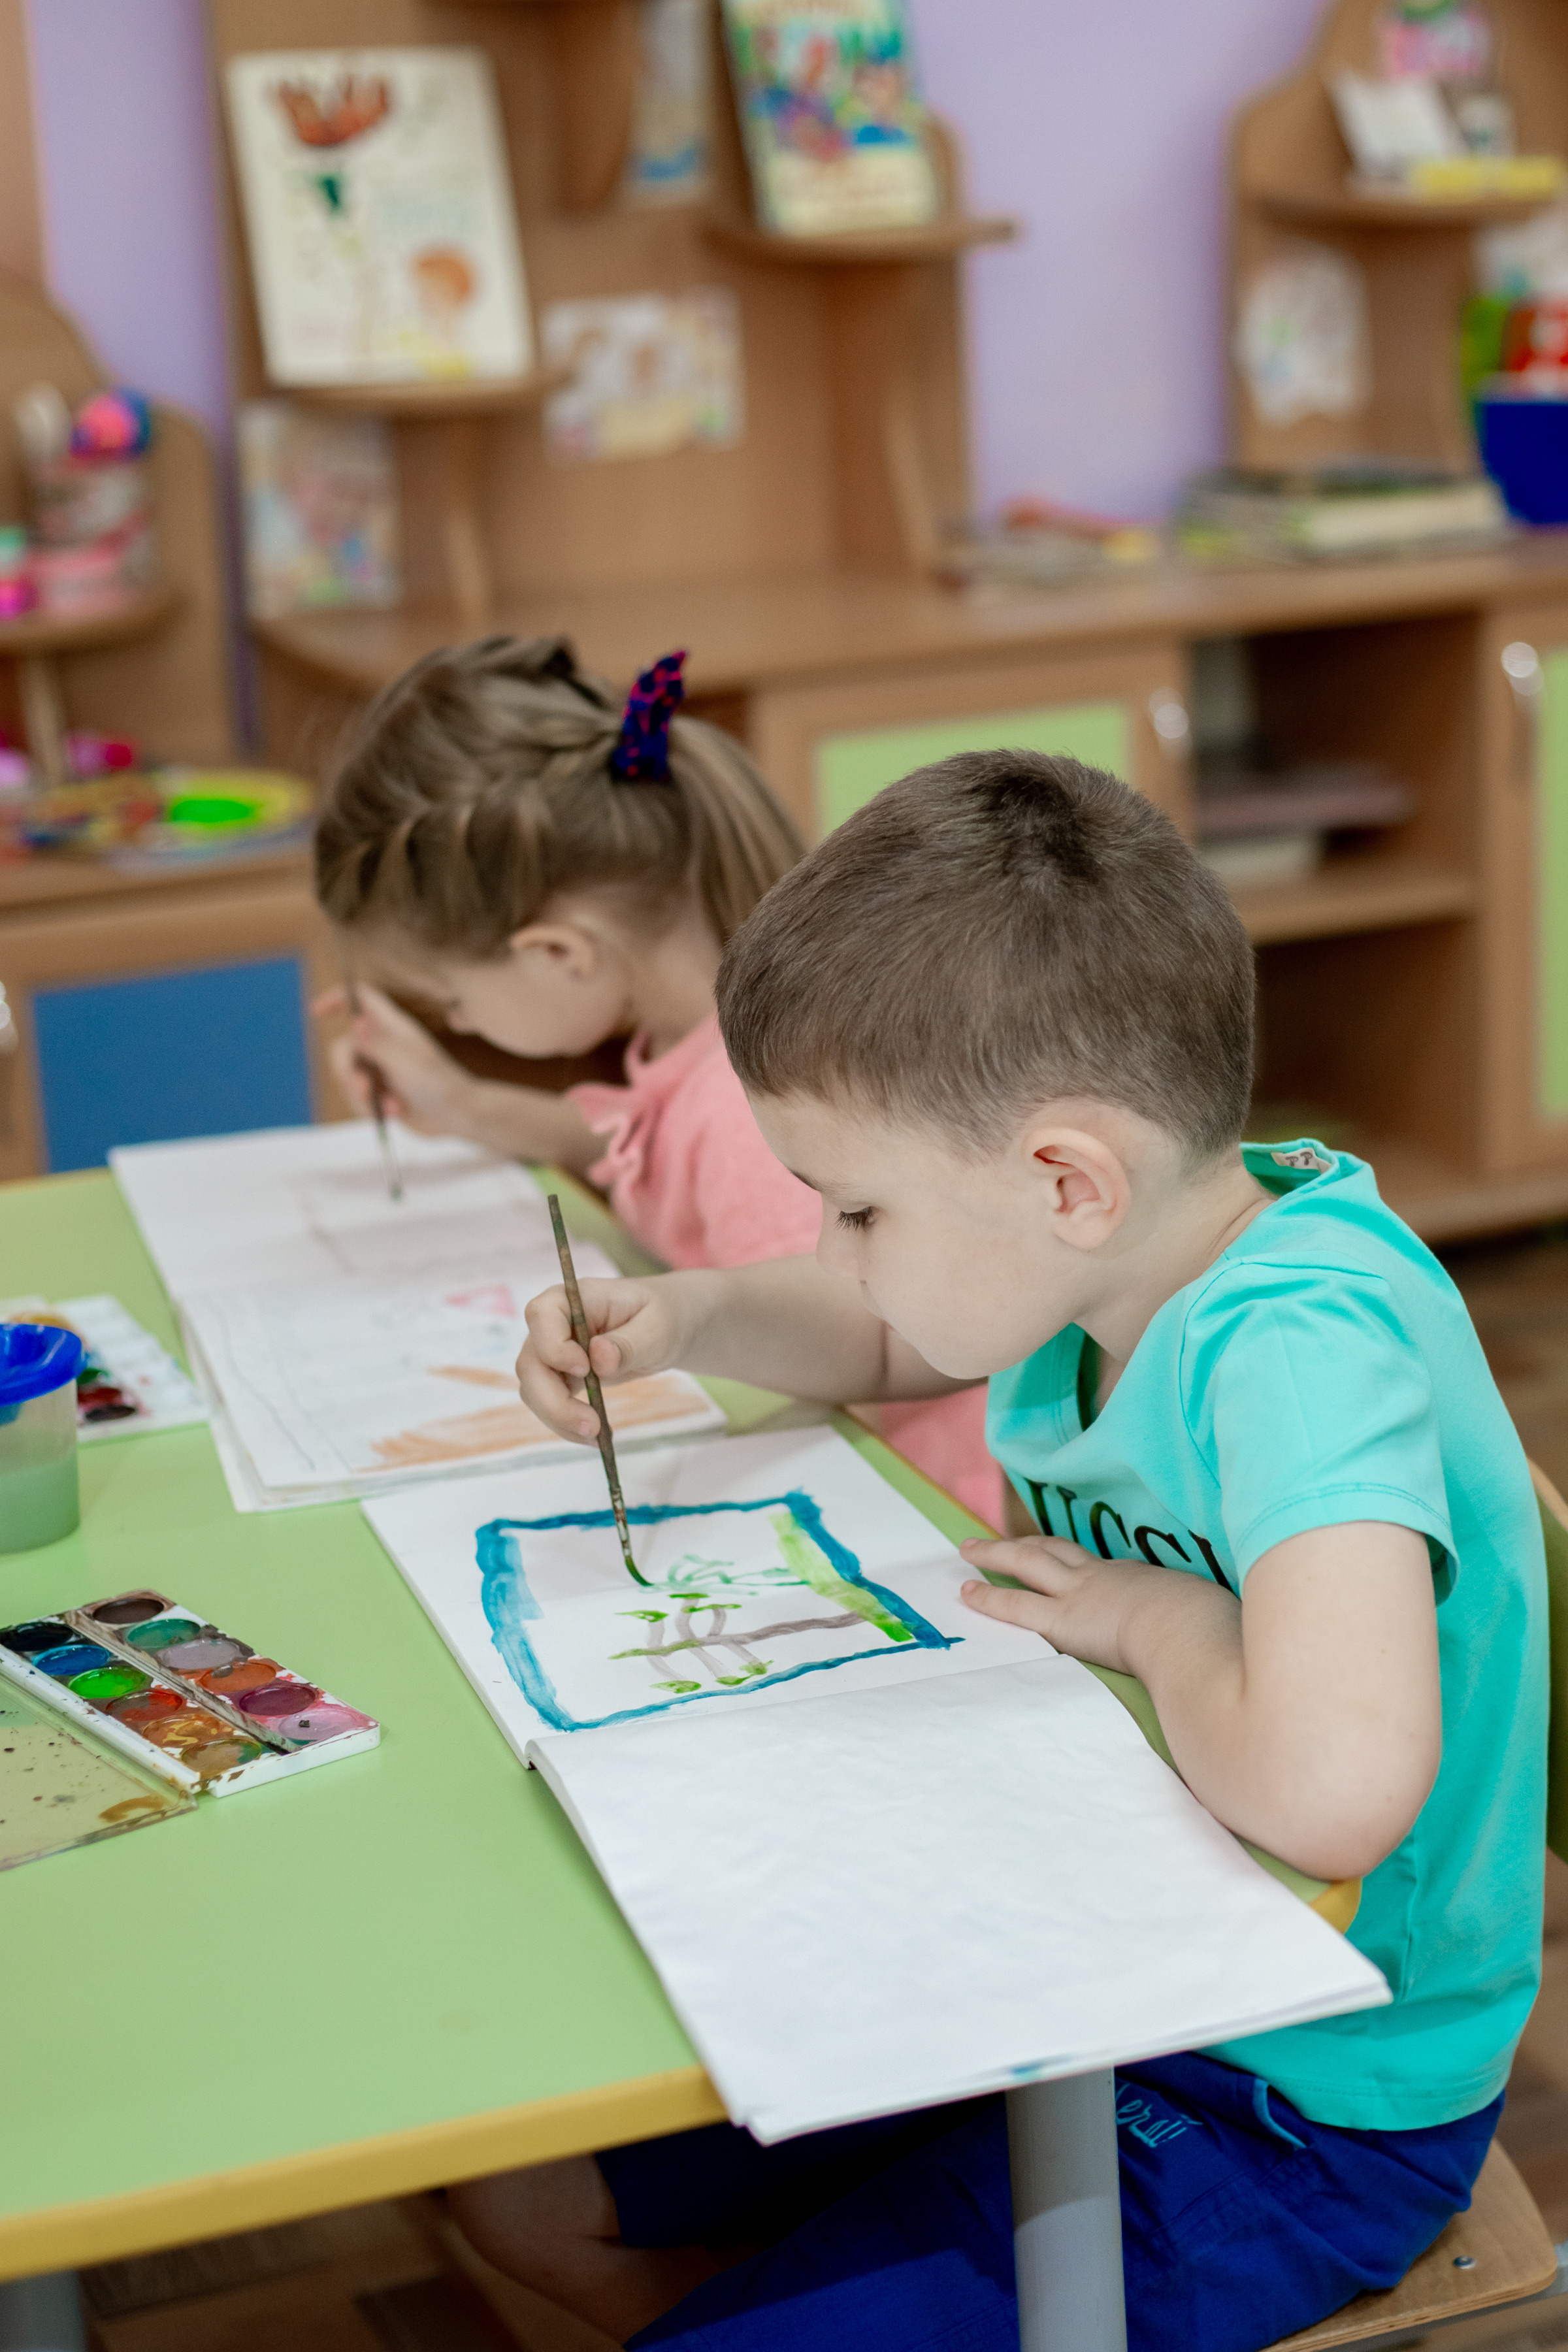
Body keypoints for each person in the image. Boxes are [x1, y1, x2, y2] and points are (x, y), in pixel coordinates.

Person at [482, 749, 1546, 2352]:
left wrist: (1151, 1618)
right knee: (535, 2198)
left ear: (1066, 1181)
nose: (835, 1249)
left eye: (857, 1210)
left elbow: (1335, 1793)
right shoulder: (1096, 1262)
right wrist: (689, 1316)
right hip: (1100, 1964)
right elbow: (886, 1332)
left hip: (1295, 2094)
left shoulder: (1303, 1347)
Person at [312, 633, 1000, 1520]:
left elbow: (865, 1334)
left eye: (453, 999)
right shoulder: (702, 1049)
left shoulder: (743, 1112)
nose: (462, 1022)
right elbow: (649, 1145)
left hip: (916, 1503)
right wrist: (469, 1106)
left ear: (558, 953)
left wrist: (681, 1318)